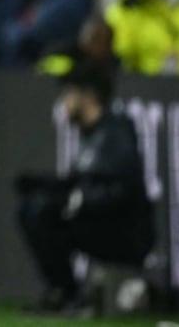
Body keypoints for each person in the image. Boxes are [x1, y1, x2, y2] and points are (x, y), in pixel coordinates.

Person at [15, 63, 154, 315]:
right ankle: (62, 291)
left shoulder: (115, 132)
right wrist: (46, 185)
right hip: (101, 221)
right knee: (33, 208)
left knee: (42, 213)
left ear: (86, 95)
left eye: (68, 93)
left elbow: (123, 189)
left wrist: (76, 201)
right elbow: (84, 179)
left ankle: (66, 293)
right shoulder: (93, 134)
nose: (63, 102)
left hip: (125, 232)